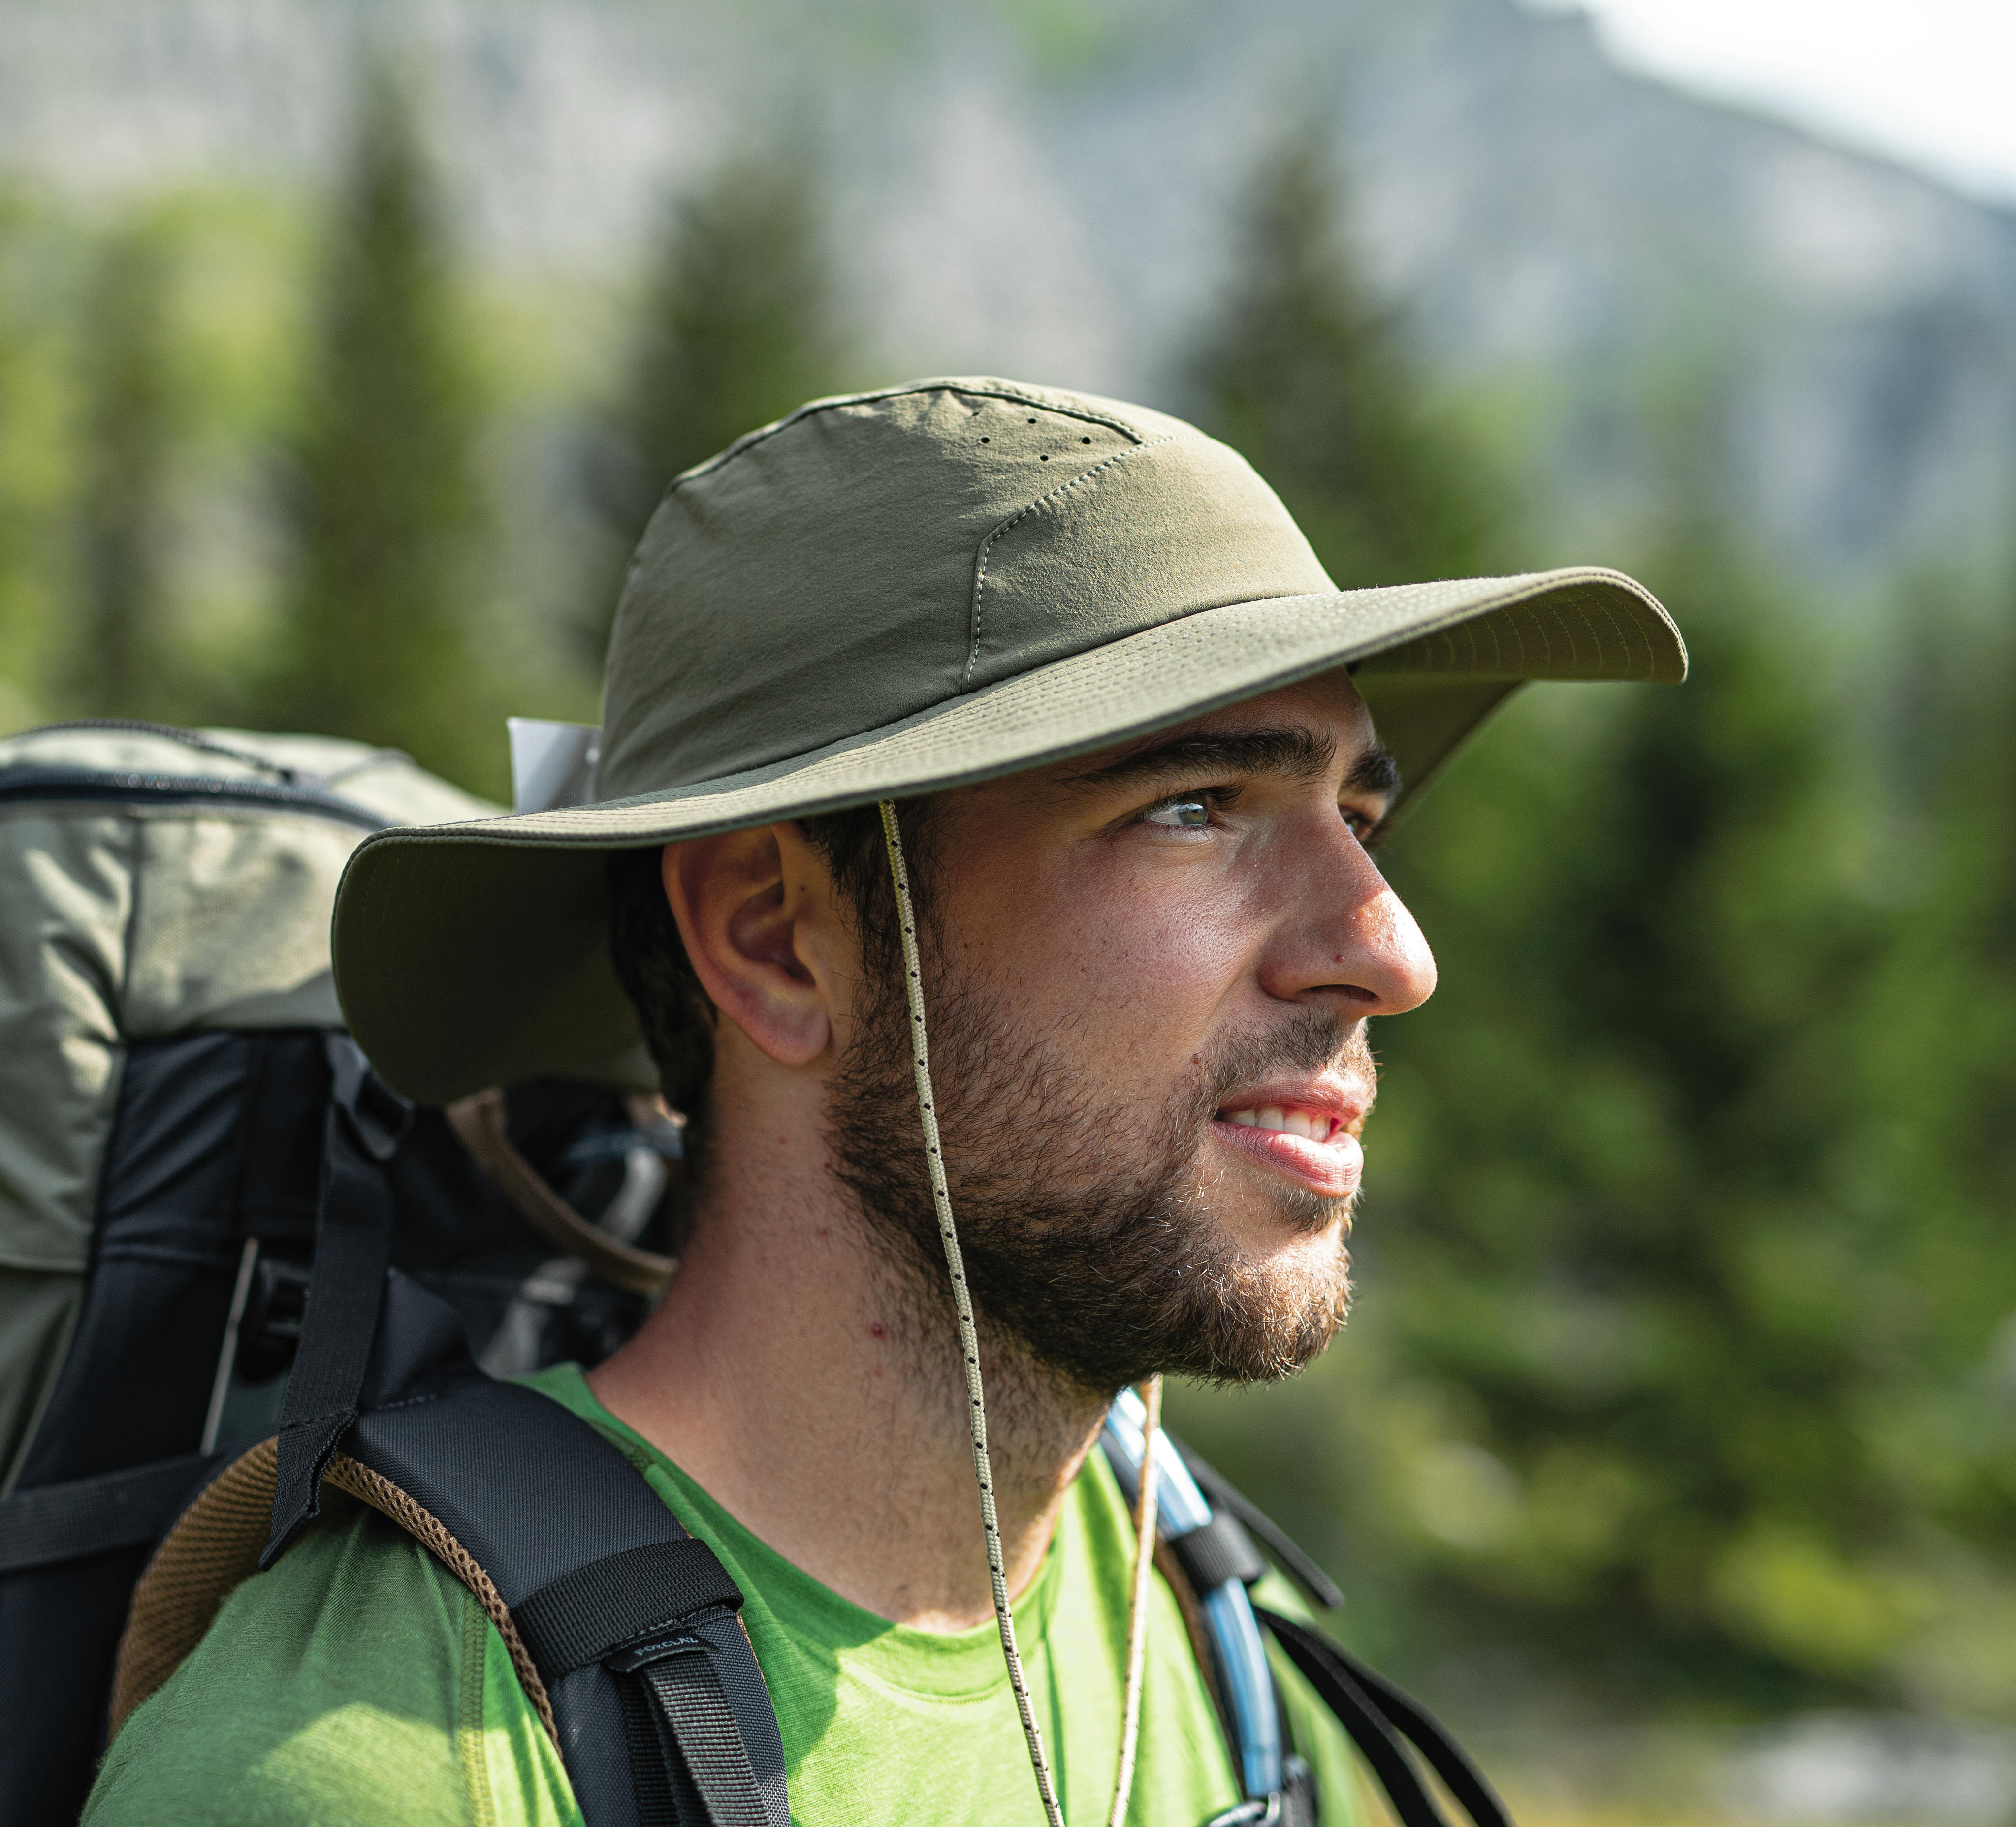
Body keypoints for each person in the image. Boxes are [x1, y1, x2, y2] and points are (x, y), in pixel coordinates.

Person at [83, 377, 1684, 1825]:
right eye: (1197, 807)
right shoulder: (377, 1773)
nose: (1389, 953)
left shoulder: (1219, 1661)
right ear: (778, 939)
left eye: (1357, 816)